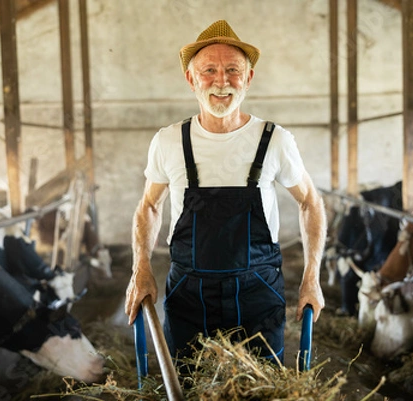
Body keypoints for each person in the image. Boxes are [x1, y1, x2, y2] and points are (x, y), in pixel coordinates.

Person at [125, 20, 327, 363]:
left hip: (258, 294)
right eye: (209, 70)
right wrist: (140, 267)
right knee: (186, 381)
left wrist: (312, 277)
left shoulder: (274, 139)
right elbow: (149, 206)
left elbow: (310, 201)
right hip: (188, 294)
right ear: (191, 80)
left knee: (264, 385)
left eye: (233, 70)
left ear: (248, 79)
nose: (222, 81)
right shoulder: (169, 141)